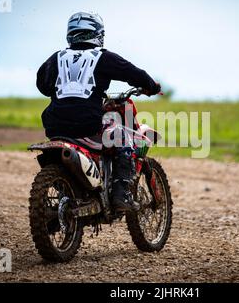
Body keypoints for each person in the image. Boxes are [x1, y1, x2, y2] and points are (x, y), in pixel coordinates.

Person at [36, 11, 161, 211]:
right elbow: (133, 73)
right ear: (98, 34)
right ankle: (122, 194)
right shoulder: (102, 57)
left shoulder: (55, 58)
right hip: (87, 125)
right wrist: (152, 86)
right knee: (123, 136)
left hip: (54, 125)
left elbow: (42, 86)